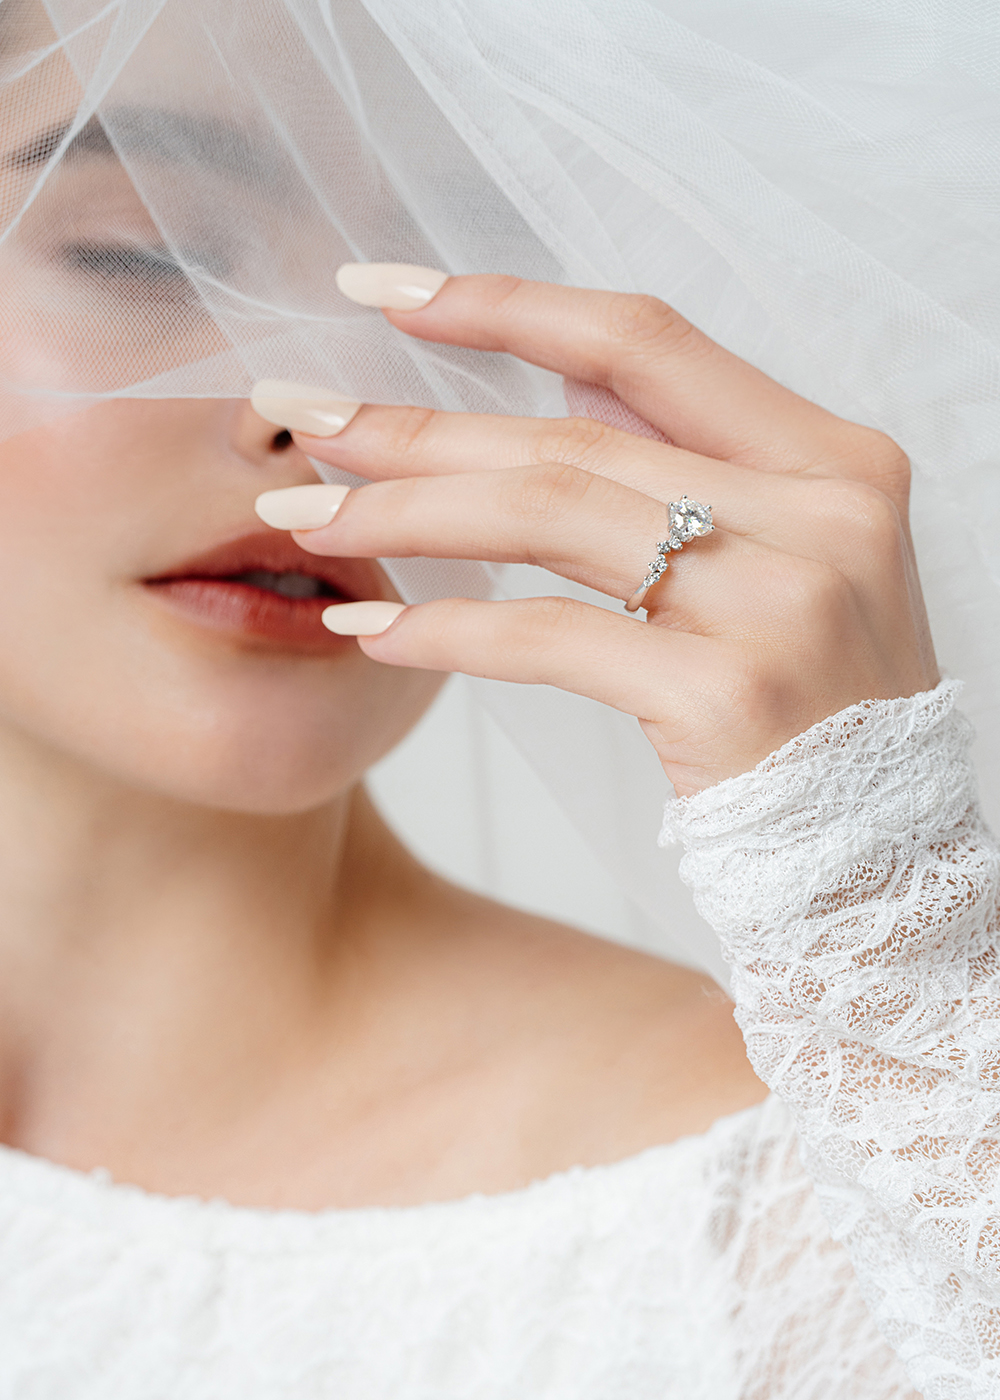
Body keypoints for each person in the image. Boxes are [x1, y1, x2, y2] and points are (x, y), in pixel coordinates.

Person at [0, 1, 996, 1396]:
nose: (330, 402)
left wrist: (885, 921)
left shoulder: (832, 1205)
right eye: (143, 253)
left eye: (445, 301)